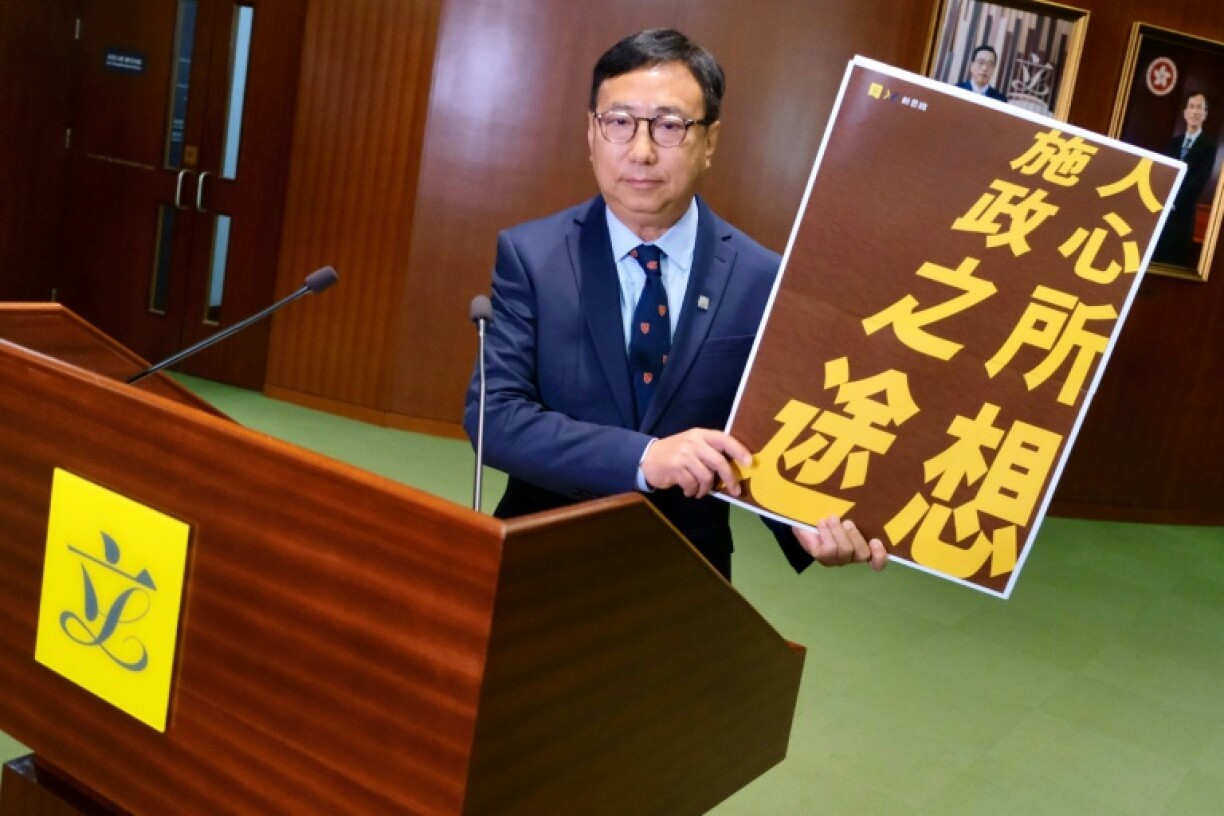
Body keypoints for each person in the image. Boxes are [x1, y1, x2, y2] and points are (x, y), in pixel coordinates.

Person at [463, 28, 887, 580]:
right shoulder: (532, 256)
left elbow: (771, 438)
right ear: (592, 133)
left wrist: (806, 522)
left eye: (669, 126)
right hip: (542, 554)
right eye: (619, 123)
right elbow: (495, 418)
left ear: (709, 141)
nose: (640, 151)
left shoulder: (763, 278)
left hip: (689, 577)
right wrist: (644, 459)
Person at [1154, 91, 1217, 267]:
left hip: (1182, 214)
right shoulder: (1174, 142)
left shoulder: (1209, 146)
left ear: (1204, 114)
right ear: (1185, 112)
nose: (1195, 111)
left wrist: (1174, 201)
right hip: (1161, 214)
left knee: (1172, 262)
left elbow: (1199, 180)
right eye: (1191, 107)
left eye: (1199, 108)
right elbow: (1163, 172)